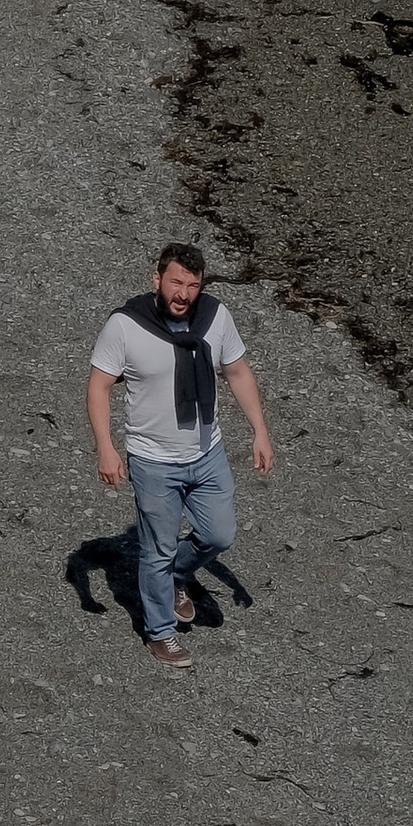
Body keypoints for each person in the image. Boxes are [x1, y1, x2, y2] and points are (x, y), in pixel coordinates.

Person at [88, 242, 273, 665]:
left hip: (208, 452)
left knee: (218, 534)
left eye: (192, 285)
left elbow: (238, 372)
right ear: (157, 279)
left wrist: (260, 431)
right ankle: (160, 632)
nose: (183, 294)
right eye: (175, 282)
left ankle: (177, 576)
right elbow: (98, 386)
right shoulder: (126, 325)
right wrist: (105, 446)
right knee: (157, 549)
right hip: (153, 460)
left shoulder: (215, 317)